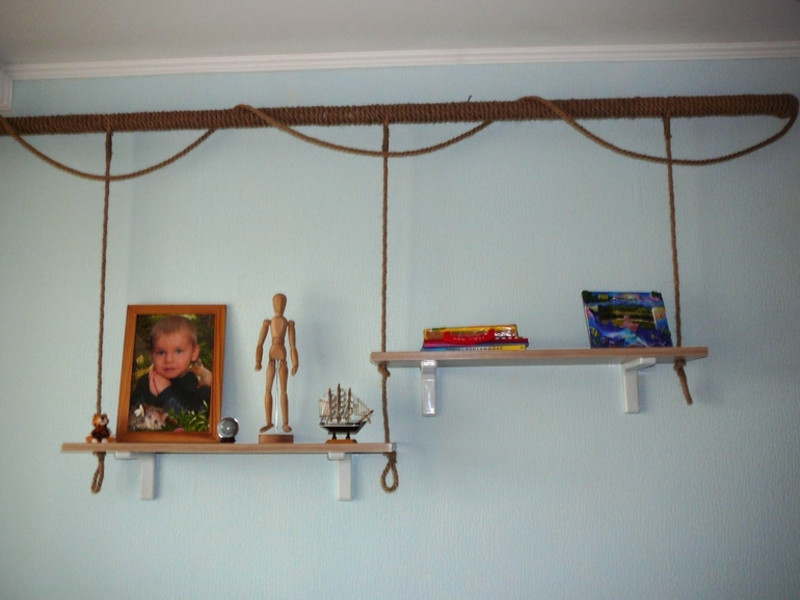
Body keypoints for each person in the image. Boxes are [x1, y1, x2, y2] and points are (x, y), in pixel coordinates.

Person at [129, 316, 211, 418]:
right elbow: (131, 417)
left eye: (178, 351)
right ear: (151, 356)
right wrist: (151, 395)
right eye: (161, 353)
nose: (169, 360)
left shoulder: (198, 385)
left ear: (194, 352)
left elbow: (193, 419)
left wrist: (166, 392)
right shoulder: (146, 381)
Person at [255, 293, 298, 433]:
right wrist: (258, 361)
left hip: (283, 358)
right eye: (277, 303)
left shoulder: (288, 323)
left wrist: (295, 363)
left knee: (283, 391)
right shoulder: (269, 322)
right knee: (268, 390)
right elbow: (260, 344)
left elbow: (293, 345)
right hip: (271, 358)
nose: (279, 306)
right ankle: (269, 422)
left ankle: (285, 423)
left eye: (282, 303)